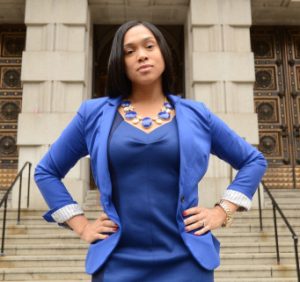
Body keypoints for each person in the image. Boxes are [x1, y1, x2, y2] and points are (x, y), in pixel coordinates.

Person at [34, 20, 268, 282]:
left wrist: (222, 211)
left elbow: (253, 160)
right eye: (129, 51)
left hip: (187, 261)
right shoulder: (93, 114)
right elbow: (46, 171)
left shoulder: (197, 114)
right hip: (116, 262)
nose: (141, 55)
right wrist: (81, 225)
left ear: (163, 54)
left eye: (149, 46)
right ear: (119, 62)